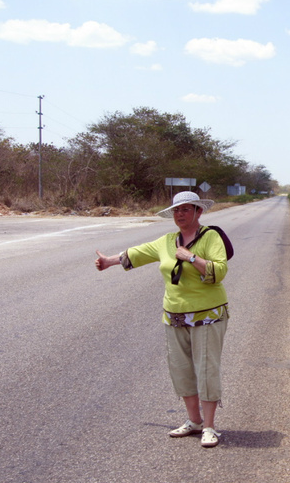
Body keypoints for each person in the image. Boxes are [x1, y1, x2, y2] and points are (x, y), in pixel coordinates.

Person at [95, 191, 230, 448]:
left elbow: (219, 271)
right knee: (180, 369)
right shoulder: (167, 241)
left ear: (198, 212)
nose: (179, 215)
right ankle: (194, 421)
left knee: (206, 369)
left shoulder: (211, 237)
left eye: (186, 210)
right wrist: (108, 262)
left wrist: (191, 258)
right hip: (174, 315)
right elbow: (136, 254)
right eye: (176, 211)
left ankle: (210, 427)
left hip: (208, 315)